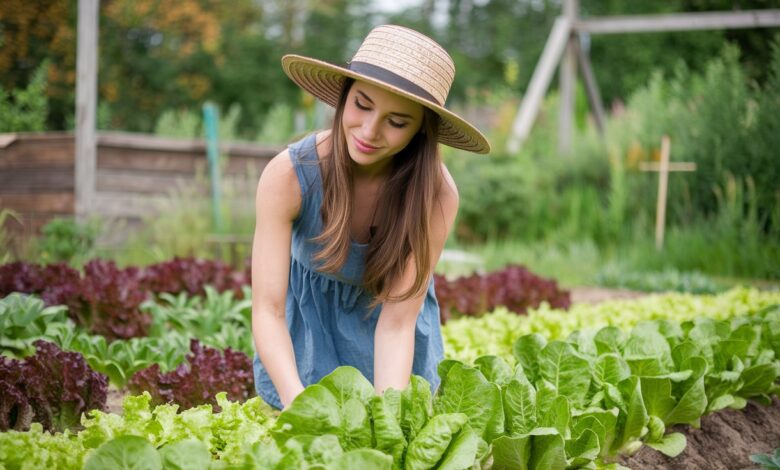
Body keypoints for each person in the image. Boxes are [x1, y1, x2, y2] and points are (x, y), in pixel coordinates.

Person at [250, 24, 490, 410]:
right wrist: (299, 407)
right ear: (344, 97)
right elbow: (268, 310)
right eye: (362, 105)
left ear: (420, 132)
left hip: (393, 349)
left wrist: (387, 419)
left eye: (397, 122)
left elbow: (396, 324)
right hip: (306, 345)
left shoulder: (437, 196)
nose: (369, 131)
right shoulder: (290, 176)